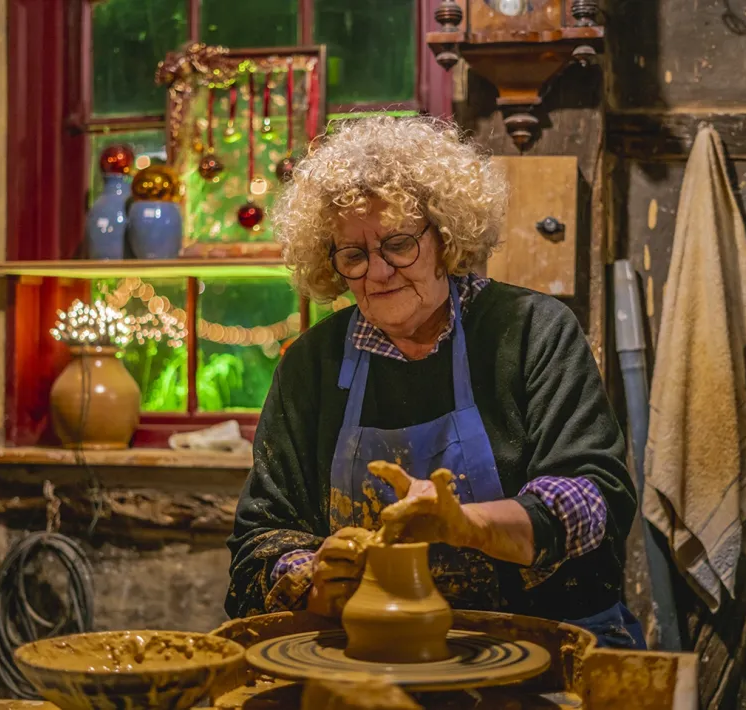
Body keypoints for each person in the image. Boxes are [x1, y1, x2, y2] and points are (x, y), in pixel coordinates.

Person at [225, 116, 644, 649]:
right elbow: (258, 538)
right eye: (353, 255)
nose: (378, 273)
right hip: (371, 643)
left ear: (445, 238)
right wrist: (311, 581)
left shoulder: (532, 331)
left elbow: (592, 497)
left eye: (399, 244)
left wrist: (464, 525)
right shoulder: (312, 364)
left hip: (542, 636)